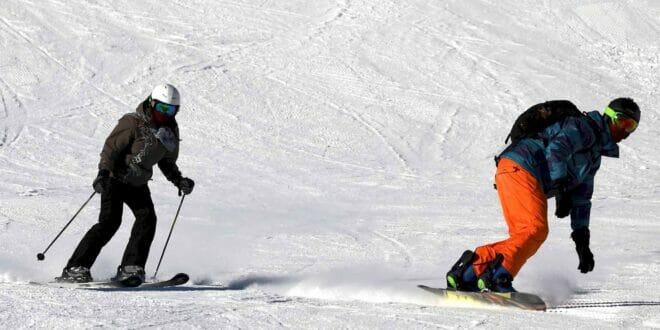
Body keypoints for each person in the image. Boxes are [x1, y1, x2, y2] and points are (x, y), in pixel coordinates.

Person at [445, 98, 641, 292]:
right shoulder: (583, 128)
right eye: (623, 122)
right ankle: (498, 278)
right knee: (535, 230)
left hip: (513, 171)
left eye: (632, 127)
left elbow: (582, 198)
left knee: (525, 235)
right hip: (521, 167)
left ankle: (467, 274)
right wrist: (560, 186)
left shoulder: (593, 156)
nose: (626, 131)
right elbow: (557, 149)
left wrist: (582, 241)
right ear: (609, 117)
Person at [57, 83, 195, 284]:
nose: (165, 114)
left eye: (171, 109)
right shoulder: (132, 122)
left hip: (137, 183)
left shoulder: (170, 130)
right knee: (110, 222)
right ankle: (76, 267)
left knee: (147, 219)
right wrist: (102, 174)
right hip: (115, 178)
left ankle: (132, 268)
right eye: (162, 108)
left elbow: (166, 161)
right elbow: (111, 149)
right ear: (151, 103)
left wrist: (179, 180)